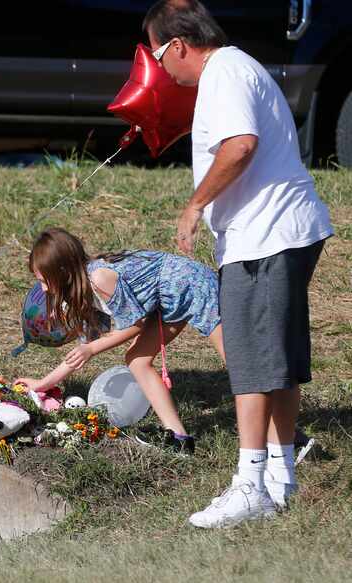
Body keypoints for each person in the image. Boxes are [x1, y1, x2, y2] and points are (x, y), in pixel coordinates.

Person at [143, 0, 334, 528]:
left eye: (158, 56)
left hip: (263, 236)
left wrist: (195, 204)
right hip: (282, 231)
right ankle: (280, 479)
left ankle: (249, 485)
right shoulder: (239, 67)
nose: (160, 69)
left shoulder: (224, 72)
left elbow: (240, 145)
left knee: (252, 362)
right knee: (277, 359)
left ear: (178, 45)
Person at [15, 228, 225, 454]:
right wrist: (43, 384)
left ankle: (264, 440)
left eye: (45, 281)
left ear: (63, 270)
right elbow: (79, 354)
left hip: (193, 284)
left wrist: (92, 348)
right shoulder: (82, 291)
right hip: (167, 299)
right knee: (137, 359)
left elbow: (136, 323)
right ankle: (179, 438)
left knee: (240, 365)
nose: (44, 288)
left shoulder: (98, 278)